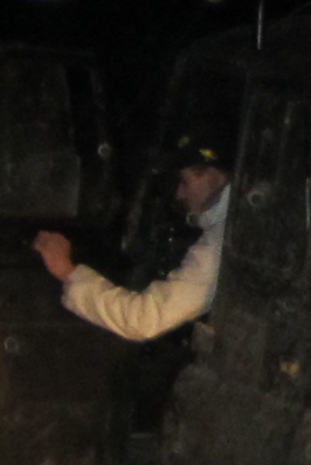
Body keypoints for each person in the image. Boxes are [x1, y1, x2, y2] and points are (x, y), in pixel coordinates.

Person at [36, 143, 231, 340]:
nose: (179, 194)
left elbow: (144, 320)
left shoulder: (221, 242)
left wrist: (67, 271)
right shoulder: (229, 228)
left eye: (184, 181)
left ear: (214, 174)